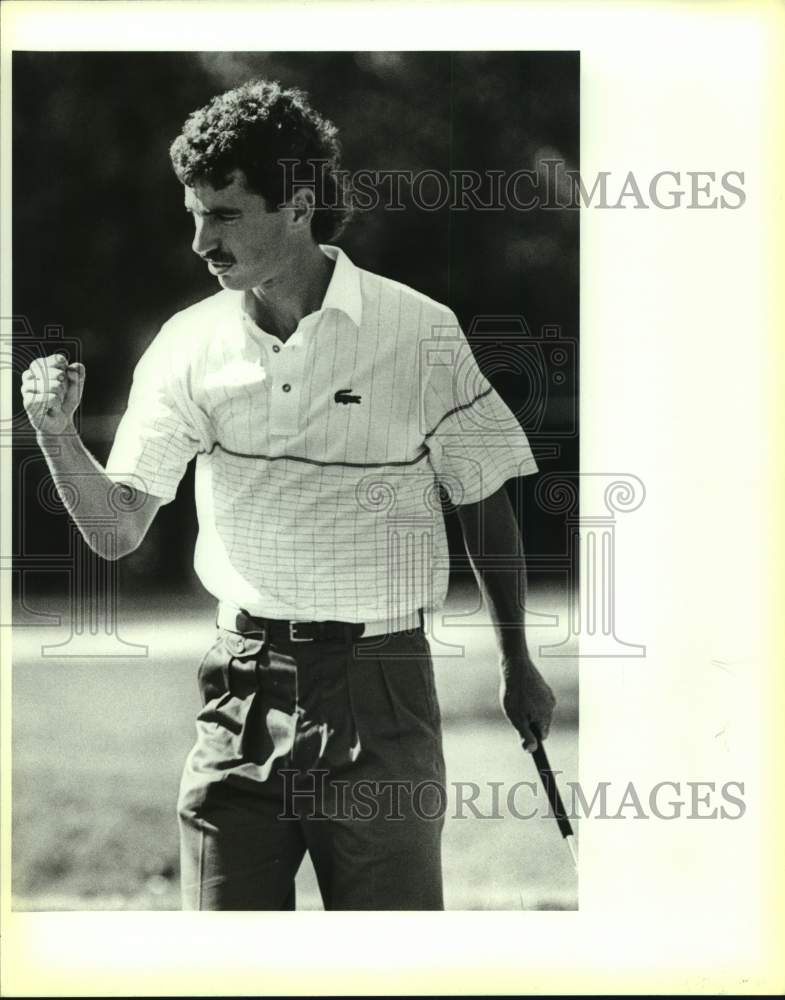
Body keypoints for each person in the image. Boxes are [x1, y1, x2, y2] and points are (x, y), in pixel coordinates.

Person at [21, 79, 556, 911]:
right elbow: (119, 530)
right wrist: (54, 433)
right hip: (237, 689)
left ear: (298, 204)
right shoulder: (188, 344)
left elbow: (482, 499)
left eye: (225, 215)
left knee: (387, 964)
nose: (201, 240)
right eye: (193, 213)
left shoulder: (416, 330)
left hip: (383, 689)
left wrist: (517, 663)